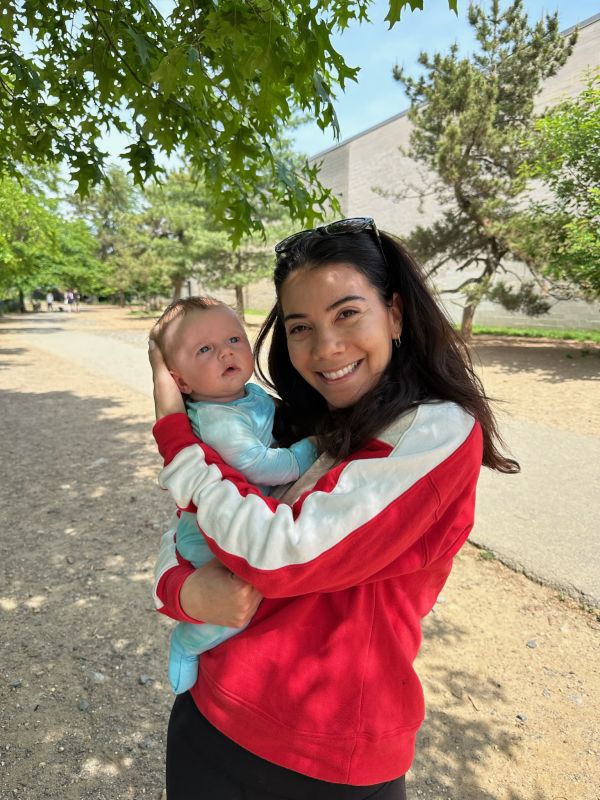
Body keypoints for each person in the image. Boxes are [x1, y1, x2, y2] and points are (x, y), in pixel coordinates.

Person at [148, 217, 519, 799]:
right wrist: (177, 591)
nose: (325, 347)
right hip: (212, 716)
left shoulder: (434, 431)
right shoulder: (297, 419)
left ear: (394, 313)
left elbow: (276, 553)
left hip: (326, 753)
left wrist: (175, 436)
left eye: (348, 313)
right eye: (300, 328)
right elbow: (194, 527)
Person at [149, 296, 318, 695]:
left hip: (244, 512)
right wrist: (309, 449)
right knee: (230, 607)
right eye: (205, 349)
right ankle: (188, 644)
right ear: (183, 383)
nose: (226, 351)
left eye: (233, 339)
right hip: (210, 534)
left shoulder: (247, 395)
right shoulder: (216, 418)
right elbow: (258, 463)